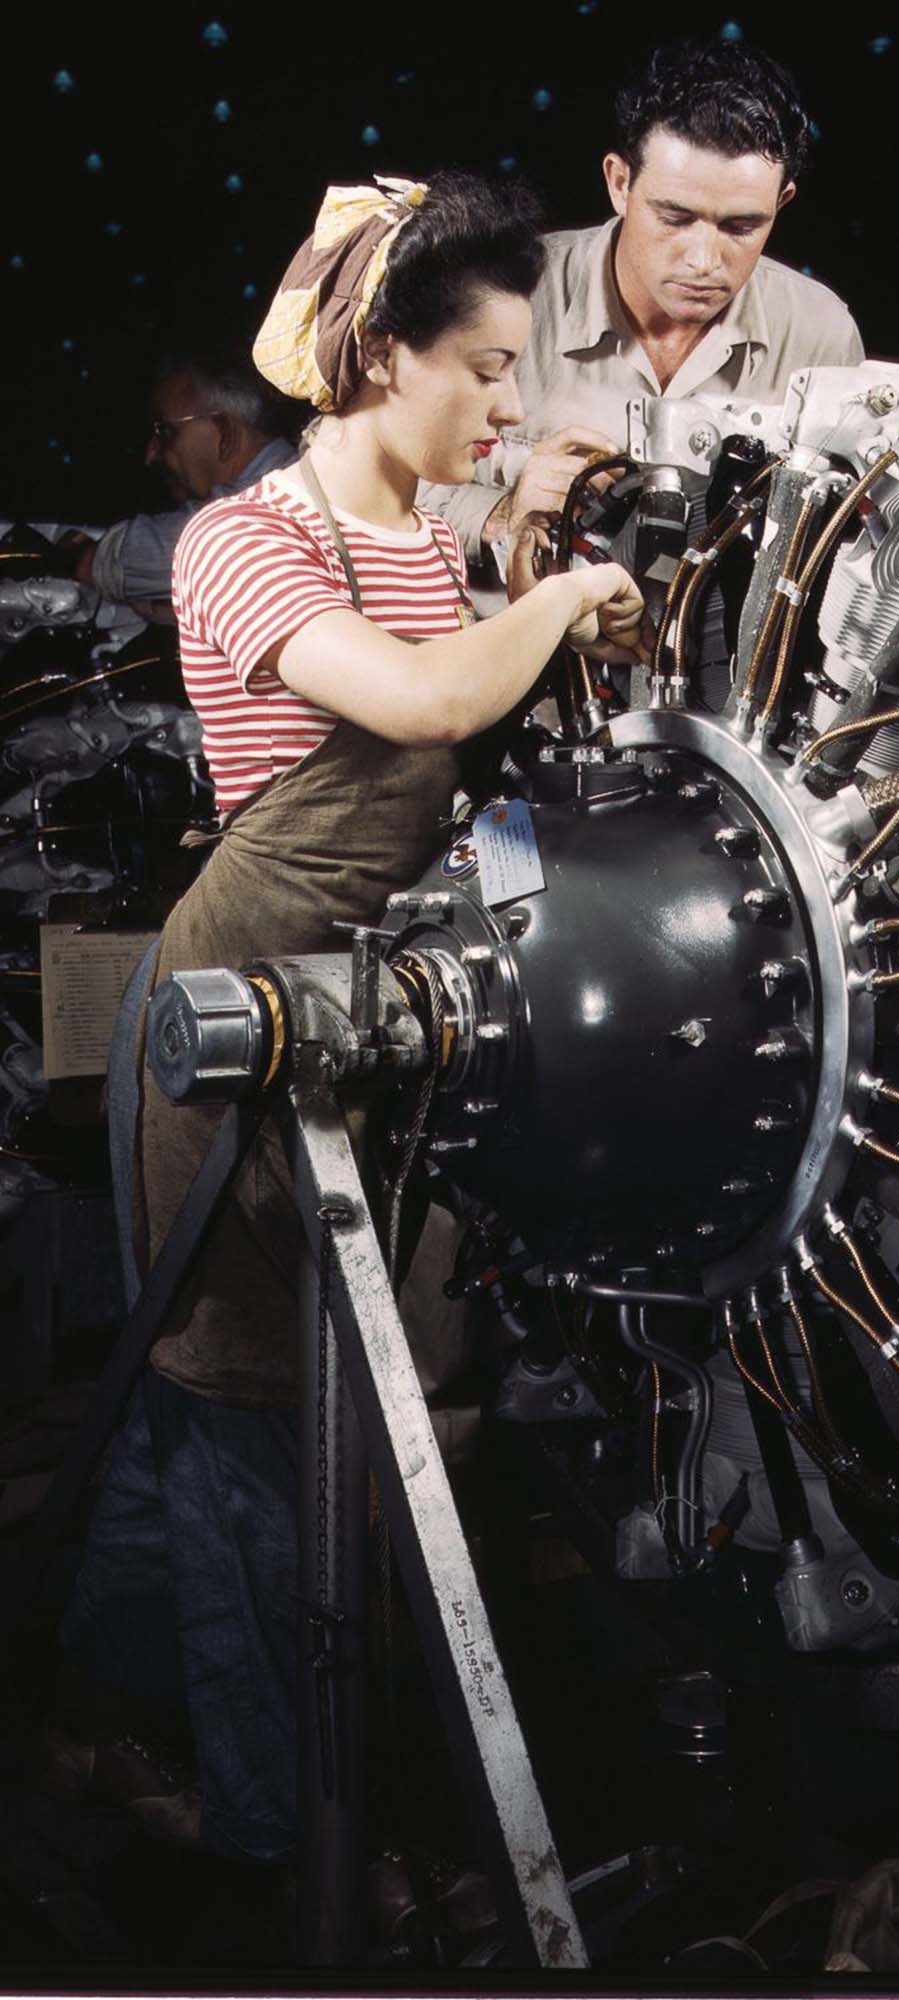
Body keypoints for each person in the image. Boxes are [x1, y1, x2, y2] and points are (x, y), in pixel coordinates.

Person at [58, 168, 646, 1871]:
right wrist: (545, 606)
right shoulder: (251, 540)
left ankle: (97, 1704)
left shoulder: (428, 540)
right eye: (486, 369)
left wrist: (529, 556)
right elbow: (417, 698)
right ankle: (274, 1852)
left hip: (375, 1021)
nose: (511, 402)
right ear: (382, 356)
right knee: (243, 1424)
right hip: (239, 1016)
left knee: (238, 1421)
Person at [421, 36, 863, 592]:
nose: (704, 261)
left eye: (741, 227)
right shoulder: (504, 296)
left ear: (783, 202)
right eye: (675, 218)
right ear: (619, 183)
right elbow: (370, 481)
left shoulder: (821, 333)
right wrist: (501, 514)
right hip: (516, 665)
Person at [69, 350, 302, 622]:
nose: (151, 454)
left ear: (225, 433)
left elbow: (109, 563)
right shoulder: (293, 477)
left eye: (166, 433)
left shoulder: (257, 512)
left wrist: (80, 554)